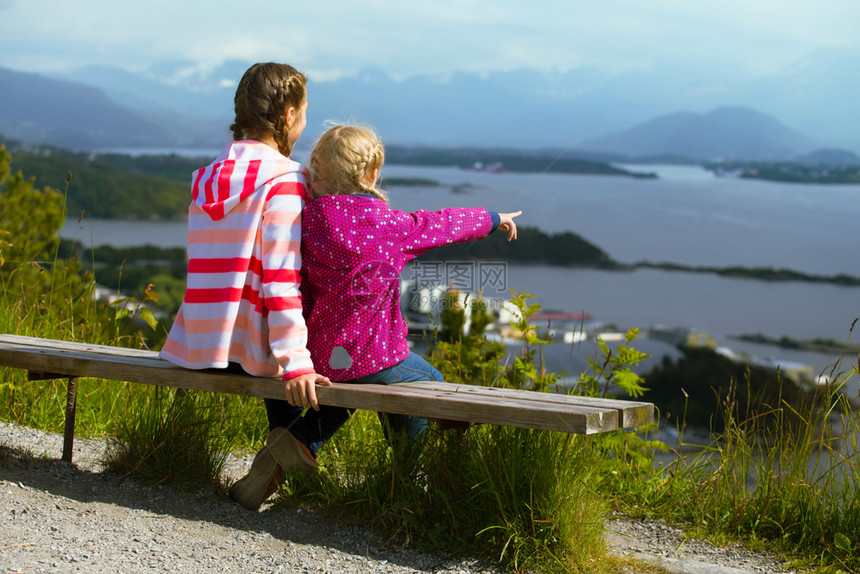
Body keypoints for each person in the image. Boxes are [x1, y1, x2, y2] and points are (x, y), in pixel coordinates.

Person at [260, 123, 521, 484]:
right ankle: (408, 476)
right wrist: (493, 219)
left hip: (318, 356)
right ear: (371, 173)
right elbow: (442, 224)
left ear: (317, 170)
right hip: (372, 354)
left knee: (350, 384)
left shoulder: (304, 222)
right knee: (431, 382)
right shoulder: (387, 226)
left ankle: (300, 441)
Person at [159, 62, 331, 511]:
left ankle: (283, 460)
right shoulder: (286, 180)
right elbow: (280, 279)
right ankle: (299, 456)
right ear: (289, 114)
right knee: (346, 369)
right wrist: (297, 364)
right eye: (306, 112)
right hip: (255, 352)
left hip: (200, 346)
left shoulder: (207, 177)